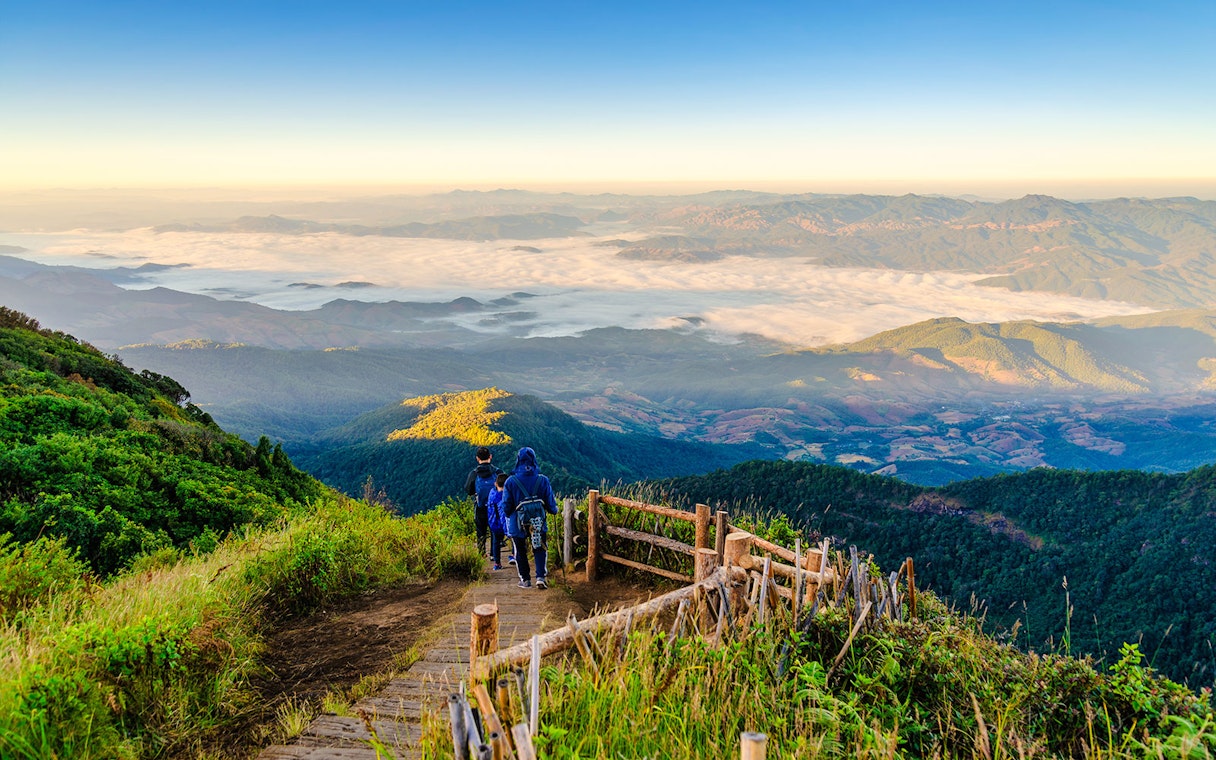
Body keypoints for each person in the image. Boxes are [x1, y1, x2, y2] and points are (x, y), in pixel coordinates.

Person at [502, 446, 558, 589]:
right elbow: (551, 504)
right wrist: (554, 510)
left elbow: (507, 506)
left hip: (518, 523)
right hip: (538, 521)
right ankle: (540, 577)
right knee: (539, 548)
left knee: (520, 551)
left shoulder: (510, 481)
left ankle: (525, 580)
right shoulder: (542, 480)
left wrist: (509, 515)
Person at [463, 446, 502, 559]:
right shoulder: (498, 472)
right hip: (495, 507)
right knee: (495, 529)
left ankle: (481, 553)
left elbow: (468, 490)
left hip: (480, 506)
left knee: (481, 530)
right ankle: (494, 554)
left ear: (477, 458)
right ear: (490, 457)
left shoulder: (474, 474)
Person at [486, 472, 508, 571]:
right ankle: (514, 556)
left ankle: (497, 563)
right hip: (506, 523)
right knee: (515, 539)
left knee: (495, 542)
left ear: (496, 484)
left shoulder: (492, 493)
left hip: (494, 523)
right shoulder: (506, 496)